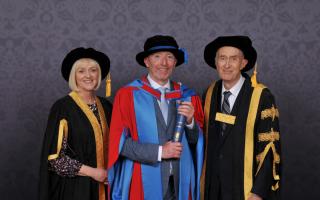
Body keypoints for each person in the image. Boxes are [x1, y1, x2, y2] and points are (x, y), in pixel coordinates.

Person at [107, 35, 204, 200]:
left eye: (170, 57)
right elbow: (120, 145)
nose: (164, 63)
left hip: (180, 183)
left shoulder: (188, 96)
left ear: (175, 62)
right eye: (157, 57)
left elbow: (197, 144)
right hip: (142, 182)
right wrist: (160, 151)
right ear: (147, 61)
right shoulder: (128, 95)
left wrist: (190, 123)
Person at [201, 36, 281, 200]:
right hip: (213, 185)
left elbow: (270, 148)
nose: (227, 65)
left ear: (243, 63)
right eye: (222, 58)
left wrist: (258, 192)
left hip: (244, 186)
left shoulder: (261, 96)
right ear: (216, 63)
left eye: (234, 59)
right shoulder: (209, 93)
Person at [39, 47, 112, 200]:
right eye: (81, 71)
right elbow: (55, 160)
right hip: (77, 189)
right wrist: (93, 172)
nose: (88, 75)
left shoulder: (106, 106)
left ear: (99, 74)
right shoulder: (63, 107)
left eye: (93, 70)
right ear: (74, 76)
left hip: (107, 186)